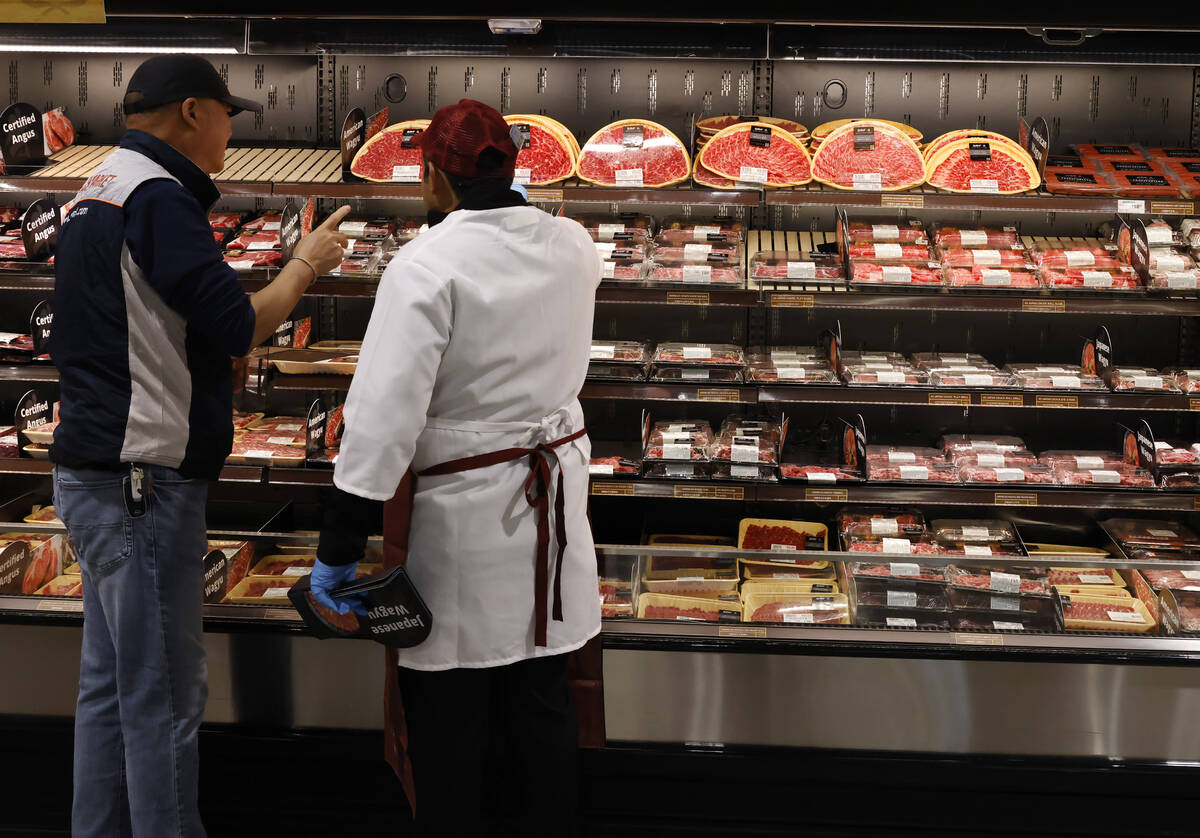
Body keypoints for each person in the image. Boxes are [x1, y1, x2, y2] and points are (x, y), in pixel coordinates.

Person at [50, 54, 350, 837]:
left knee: (111, 690)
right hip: (141, 484)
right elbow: (243, 321)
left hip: (92, 473)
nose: (229, 131)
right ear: (192, 112)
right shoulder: (160, 196)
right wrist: (304, 265)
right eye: (226, 115)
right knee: (166, 698)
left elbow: (138, 321)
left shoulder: (96, 189)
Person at [312, 99, 601, 836]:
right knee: (542, 705)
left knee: (449, 720)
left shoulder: (425, 265)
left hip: (464, 521)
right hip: (552, 511)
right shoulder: (573, 245)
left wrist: (338, 551)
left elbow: (380, 419)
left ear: (434, 180)